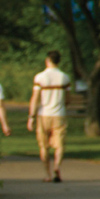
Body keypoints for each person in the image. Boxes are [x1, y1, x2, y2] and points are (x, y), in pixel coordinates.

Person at [27, 50, 71, 182]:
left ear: (47, 60)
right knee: (60, 144)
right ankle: (57, 166)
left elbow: (35, 98)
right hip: (59, 114)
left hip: (43, 114)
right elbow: (68, 99)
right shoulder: (64, 77)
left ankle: (48, 174)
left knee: (43, 146)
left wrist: (31, 117)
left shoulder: (40, 77)